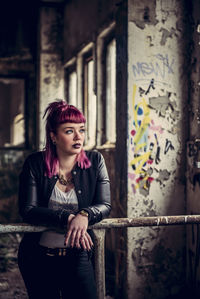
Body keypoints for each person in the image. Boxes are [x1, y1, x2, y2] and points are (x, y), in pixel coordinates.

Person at [18, 100, 111, 299]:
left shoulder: (96, 161)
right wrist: (68, 218)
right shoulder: (35, 163)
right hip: (38, 257)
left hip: (77, 255)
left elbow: (105, 205)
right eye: (69, 131)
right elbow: (28, 210)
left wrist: (85, 215)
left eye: (82, 130)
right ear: (53, 136)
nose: (79, 137)